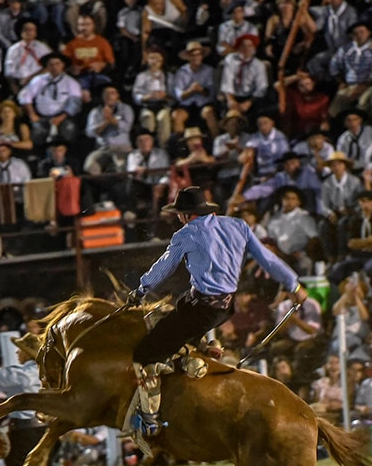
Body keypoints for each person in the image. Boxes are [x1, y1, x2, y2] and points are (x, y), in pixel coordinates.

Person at [126, 187, 306, 436]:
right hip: (223, 307)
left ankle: (149, 419)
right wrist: (293, 284)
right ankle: (199, 350)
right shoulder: (239, 226)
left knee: (144, 353)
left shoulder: (186, 234)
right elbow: (268, 259)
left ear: (187, 215)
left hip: (200, 308)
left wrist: (140, 290)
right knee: (169, 320)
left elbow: (164, 266)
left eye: (180, 213)